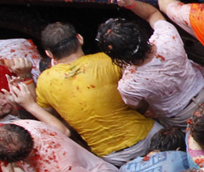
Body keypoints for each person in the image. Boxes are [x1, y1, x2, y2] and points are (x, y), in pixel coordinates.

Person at [33, 22, 158, 164]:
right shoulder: (107, 60)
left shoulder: (44, 81)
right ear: (80, 39)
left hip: (110, 157)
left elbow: (47, 115)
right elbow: (141, 91)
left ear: (49, 54)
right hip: (147, 135)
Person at [101, 0, 204, 128]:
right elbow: (152, 14)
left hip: (181, 117)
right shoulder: (167, 38)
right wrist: (129, 3)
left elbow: (139, 105)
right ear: (138, 33)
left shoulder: (129, 85)